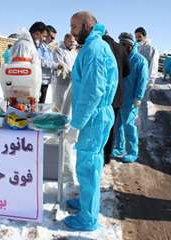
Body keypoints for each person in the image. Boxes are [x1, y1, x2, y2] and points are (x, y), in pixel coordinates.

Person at [65, 11, 118, 231]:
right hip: (94, 115)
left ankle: (88, 218)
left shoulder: (95, 49)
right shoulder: (92, 46)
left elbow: (92, 92)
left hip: (94, 117)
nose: (72, 32)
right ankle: (87, 202)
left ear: (87, 25)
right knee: (89, 164)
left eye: (75, 27)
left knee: (88, 166)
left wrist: (77, 124)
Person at [111, 32, 148, 163]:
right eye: (119, 43)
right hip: (119, 97)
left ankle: (132, 151)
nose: (120, 46)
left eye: (123, 44)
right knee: (118, 124)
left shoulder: (140, 61)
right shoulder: (119, 58)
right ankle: (119, 147)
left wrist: (138, 97)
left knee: (129, 125)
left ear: (129, 45)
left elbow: (142, 81)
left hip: (131, 99)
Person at [102, 32, 130, 165]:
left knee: (98, 126)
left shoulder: (99, 46)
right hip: (117, 95)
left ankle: (98, 154)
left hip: (101, 96)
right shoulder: (121, 48)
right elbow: (127, 71)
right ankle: (107, 156)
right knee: (111, 126)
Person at [3, 25, 42, 101]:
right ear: (36, 34)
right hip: (27, 85)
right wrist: (36, 94)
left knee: (14, 108)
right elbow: (34, 68)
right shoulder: (28, 45)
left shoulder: (17, 44)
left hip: (15, 86)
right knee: (24, 107)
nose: (42, 39)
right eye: (42, 36)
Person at [134, 27, 159, 139]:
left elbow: (153, 67)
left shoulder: (151, 48)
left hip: (144, 82)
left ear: (145, 36)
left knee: (143, 106)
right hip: (135, 81)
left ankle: (143, 130)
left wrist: (149, 82)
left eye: (139, 36)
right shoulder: (136, 47)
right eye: (136, 37)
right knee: (135, 105)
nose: (138, 39)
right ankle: (136, 127)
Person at [37, 25, 63, 103]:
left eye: (54, 38)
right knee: (36, 105)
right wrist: (55, 65)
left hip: (45, 80)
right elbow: (40, 61)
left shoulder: (47, 48)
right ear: (45, 34)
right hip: (39, 80)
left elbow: (50, 61)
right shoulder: (39, 46)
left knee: (41, 105)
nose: (53, 40)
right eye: (52, 37)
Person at [52, 33, 77, 112]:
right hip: (61, 82)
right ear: (65, 40)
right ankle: (56, 121)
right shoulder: (58, 50)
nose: (72, 43)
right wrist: (73, 74)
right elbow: (62, 65)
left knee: (68, 105)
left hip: (71, 82)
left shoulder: (74, 53)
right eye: (70, 41)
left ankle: (65, 121)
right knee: (58, 103)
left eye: (73, 42)